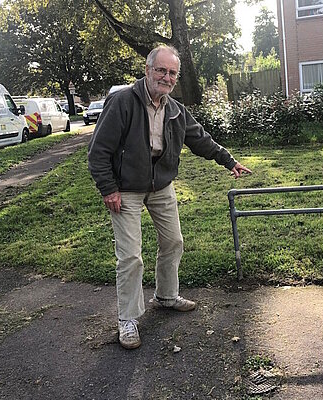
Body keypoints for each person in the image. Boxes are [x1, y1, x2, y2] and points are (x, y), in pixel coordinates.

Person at [87, 45, 251, 350]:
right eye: (161, 70)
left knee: (174, 241)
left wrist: (229, 161)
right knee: (131, 256)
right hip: (125, 189)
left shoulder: (174, 109)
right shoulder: (122, 101)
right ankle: (128, 319)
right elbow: (98, 152)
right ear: (148, 70)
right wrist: (108, 188)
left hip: (160, 186)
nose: (166, 76)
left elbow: (200, 139)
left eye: (172, 72)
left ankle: (165, 295)